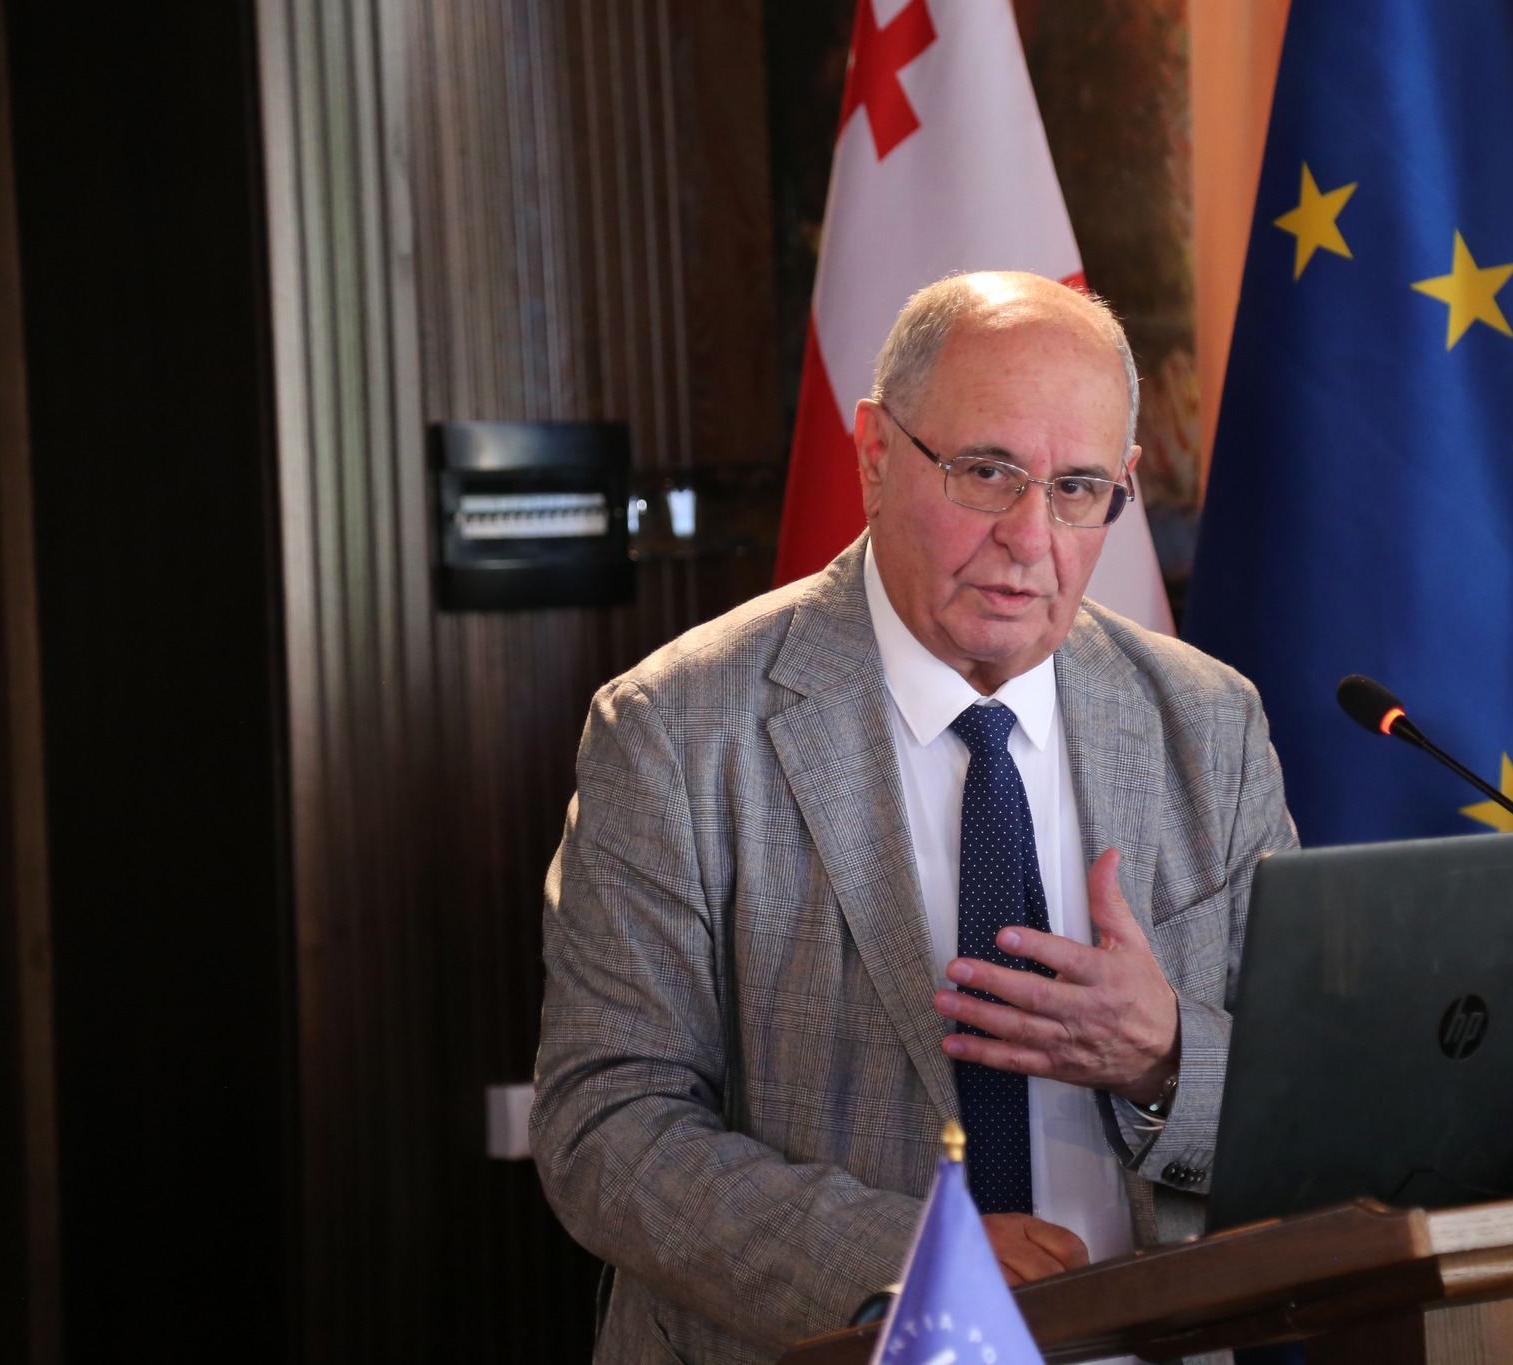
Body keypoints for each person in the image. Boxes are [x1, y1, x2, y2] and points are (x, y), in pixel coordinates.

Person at [532, 271, 1297, 1365]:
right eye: (987, 473)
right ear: (875, 454)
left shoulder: (1208, 724)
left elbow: (1311, 1102)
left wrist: (1166, 1056)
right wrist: (921, 1259)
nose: (1030, 537)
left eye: (1078, 488)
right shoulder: (676, 729)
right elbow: (605, 1126)